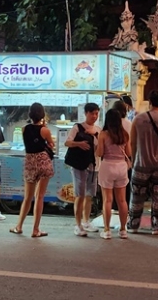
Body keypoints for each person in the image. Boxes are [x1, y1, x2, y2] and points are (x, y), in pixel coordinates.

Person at [127, 90, 158, 235]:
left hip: (141, 163)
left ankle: (133, 225)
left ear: (149, 102)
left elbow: (132, 143)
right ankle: (157, 227)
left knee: (136, 197)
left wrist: (133, 160)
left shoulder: (138, 119)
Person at [10, 103, 55, 237]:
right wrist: (44, 127)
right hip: (43, 162)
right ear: (42, 115)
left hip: (30, 162)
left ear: (30, 114)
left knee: (27, 197)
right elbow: (51, 145)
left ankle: (19, 226)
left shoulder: (24, 129)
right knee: (39, 196)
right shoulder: (45, 130)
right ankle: (35, 230)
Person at [65, 102, 102, 237]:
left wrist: (96, 136)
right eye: (92, 113)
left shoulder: (99, 130)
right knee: (79, 195)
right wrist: (78, 144)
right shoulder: (77, 127)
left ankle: (86, 221)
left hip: (94, 166)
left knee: (89, 195)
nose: (94, 116)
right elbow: (67, 142)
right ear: (86, 113)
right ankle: (78, 224)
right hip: (79, 166)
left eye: (96, 113)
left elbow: (101, 148)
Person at [97, 109, 131, 239]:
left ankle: (107, 230)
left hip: (107, 166)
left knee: (107, 200)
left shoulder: (103, 134)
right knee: (122, 200)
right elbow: (129, 152)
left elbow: (100, 153)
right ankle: (123, 230)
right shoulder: (124, 134)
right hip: (121, 167)